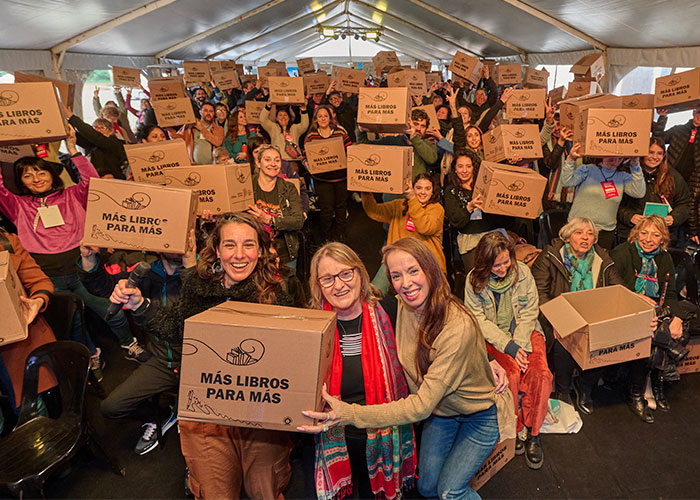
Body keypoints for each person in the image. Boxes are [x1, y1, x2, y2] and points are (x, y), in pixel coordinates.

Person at [300, 237, 514, 500]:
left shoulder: (385, 312)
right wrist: (484, 359)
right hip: (440, 411)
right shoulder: (401, 306)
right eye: (397, 275)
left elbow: (453, 338)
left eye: (345, 273)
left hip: (475, 414)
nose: (406, 283)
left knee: (449, 491)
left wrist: (347, 414)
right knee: (426, 488)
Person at [109, 213, 295, 499]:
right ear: (217, 250)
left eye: (249, 245)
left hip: (259, 407)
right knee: (215, 488)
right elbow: (177, 327)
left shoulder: (276, 293)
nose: (239, 255)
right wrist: (140, 305)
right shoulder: (198, 284)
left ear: (261, 250)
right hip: (208, 401)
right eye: (230, 245)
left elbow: (289, 356)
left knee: (264, 488)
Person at [0, 125, 148, 379]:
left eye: (40, 171)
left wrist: (72, 148)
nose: (36, 178)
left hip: (82, 269)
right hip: (46, 275)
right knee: (73, 322)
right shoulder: (17, 205)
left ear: (52, 174)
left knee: (109, 309)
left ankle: (128, 344)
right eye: (27, 175)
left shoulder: (73, 195)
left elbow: (92, 182)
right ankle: (92, 356)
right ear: (21, 181)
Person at [307, 242, 417, 499]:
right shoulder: (310, 326)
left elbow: (434, 335)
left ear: (360, 274)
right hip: (332, 438)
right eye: (328, 279)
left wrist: (487, 359)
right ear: (318, 285)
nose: (339, 285)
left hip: (383, 436)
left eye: (346, 273)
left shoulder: (391, 311)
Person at [79, 231, 196, 454]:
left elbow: (197, 305)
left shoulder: (203, 274)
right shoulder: (146, 272)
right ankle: (162, 415)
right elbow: (102, 286)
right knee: (111, 407)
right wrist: (89, 258)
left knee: (193, 426)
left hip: (197, 364)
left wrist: (190, 266)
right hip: (161, 360)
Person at [464, 232, 552, 469]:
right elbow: (478, 321)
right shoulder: (473, 280)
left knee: (541, 374)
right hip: (494, 339)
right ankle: (515, 428)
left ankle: (534, 432)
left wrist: (520, 345)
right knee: (510, 375)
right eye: (496, 265)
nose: (503, 268)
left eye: (506, 262)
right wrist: (509, 347)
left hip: (525, 333)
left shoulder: (523, 272)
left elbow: (529, 311)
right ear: (484, 264)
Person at [531, 218, 624, 413]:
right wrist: (558, 320)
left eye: (590, 234)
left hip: (593, 314)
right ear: (567, 236)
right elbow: (539, 295)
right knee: (564, 339)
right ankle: (563, 390)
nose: (585, 237)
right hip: (556, 316)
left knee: (602, 336)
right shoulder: (549, 256)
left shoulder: (602, 259)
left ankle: (585, 386)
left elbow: (618, 289)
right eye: (579, 232)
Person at [611, 215, 689, 419]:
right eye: (644, 233)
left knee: (677, 329)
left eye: (655, 235)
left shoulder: (665, 258)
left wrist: (677, 318)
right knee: (652, 331)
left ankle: (655, 382)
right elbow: (613, 287)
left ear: (662, 238)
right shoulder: (622, 253)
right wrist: (638, 298)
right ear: (636, 234)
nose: (648, 239)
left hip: (655, 308)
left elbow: (670, 294)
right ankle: (640, 391)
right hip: (626, 307)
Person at [0, 230, 56, 430]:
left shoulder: (7, 242)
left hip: (17, 352)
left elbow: (40, 282)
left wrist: (37, 301)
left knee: (30, 414)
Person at [361, 174, 445, 292]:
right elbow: (374, 211)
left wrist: (412, 200)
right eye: (419, 188)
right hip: (395, 259)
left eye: (427, 189)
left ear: (433, 191)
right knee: (375, 293)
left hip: (424, 263)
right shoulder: (399, 205)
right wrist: (365, 192)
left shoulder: (436, 209)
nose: (423, 192)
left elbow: (425, 227)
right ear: (413, 188)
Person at [561, 143, 646, 249]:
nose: (615, 161)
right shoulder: (587, 169)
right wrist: (571, 159)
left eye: (619, 158)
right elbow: (566, 182)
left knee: (600, 264)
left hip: (605, 232)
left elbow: (639, 192)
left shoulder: (622, 177)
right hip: (578, 229)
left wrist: (635, 165)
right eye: (611, 156)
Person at [444, 150, 510, 273]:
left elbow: (504, 218)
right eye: (460, 166)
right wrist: (469, 208)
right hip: (470, 241)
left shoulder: (487, 185)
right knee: (479, 277)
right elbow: (456, 221)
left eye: (468, 166)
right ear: (455, 169)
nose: (464, 170)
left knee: (505, 270)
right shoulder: (451, 191)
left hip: (495, 234)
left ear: (474, 167)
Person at [618, 138, 690, 245]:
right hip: (631, 233)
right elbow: (614, 203)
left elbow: (685, 204)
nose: (655, 157)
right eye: (650, 152)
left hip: (663, 236)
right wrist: (629, 216)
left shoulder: (673, 176)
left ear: (664, 156)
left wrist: (674, 218)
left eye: (659, 153)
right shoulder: (626, 173)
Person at [248, 145, 304, 267]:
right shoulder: (248, 186)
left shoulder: (289, 188)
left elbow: (298, 220)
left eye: (277, 160)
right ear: (258, 162)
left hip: (284, 253)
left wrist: (270, 220)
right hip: (253, 253)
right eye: (267, 160)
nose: (273, 164)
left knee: (284, 286)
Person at [304, 105, 352, 242]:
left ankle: (341, 236)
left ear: (330, 118)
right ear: (316, 119)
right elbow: (304, 156)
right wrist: (307, 165)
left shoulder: (340, 133)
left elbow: (350, 151)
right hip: (322, 180)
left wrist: (348, 160)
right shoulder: (311, 136)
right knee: (326, 210)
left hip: (341, 177)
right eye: (320, 116)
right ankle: (326, 237)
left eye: (325, 116)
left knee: (341, 208)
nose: (323, 118)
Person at [66, 107, 127, 179]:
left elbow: (93, 135)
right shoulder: (93, 144)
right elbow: (77, 137)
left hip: (113, 179)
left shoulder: (113, 142)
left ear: (110, 131)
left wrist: (72, 117)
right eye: (95, 128)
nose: (98, 130)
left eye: (101, 127)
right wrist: (67, 126)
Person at [653, 106, 700, 183]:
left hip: (691, 181)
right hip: (669, 174)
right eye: (699, 112)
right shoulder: (678, 129)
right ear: (693, 113)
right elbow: (657, 139)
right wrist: (662, 117)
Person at [259, 102, 309, 169]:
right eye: (280, 115)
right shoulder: (273, 127)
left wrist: (303, 110)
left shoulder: (294, 128)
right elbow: (263, 120)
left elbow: (304, 125)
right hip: (278, 160)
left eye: (285, 115)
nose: (283, 117)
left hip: (294, 160)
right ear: (276, 118)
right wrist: (268, 105)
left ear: (289, 118)